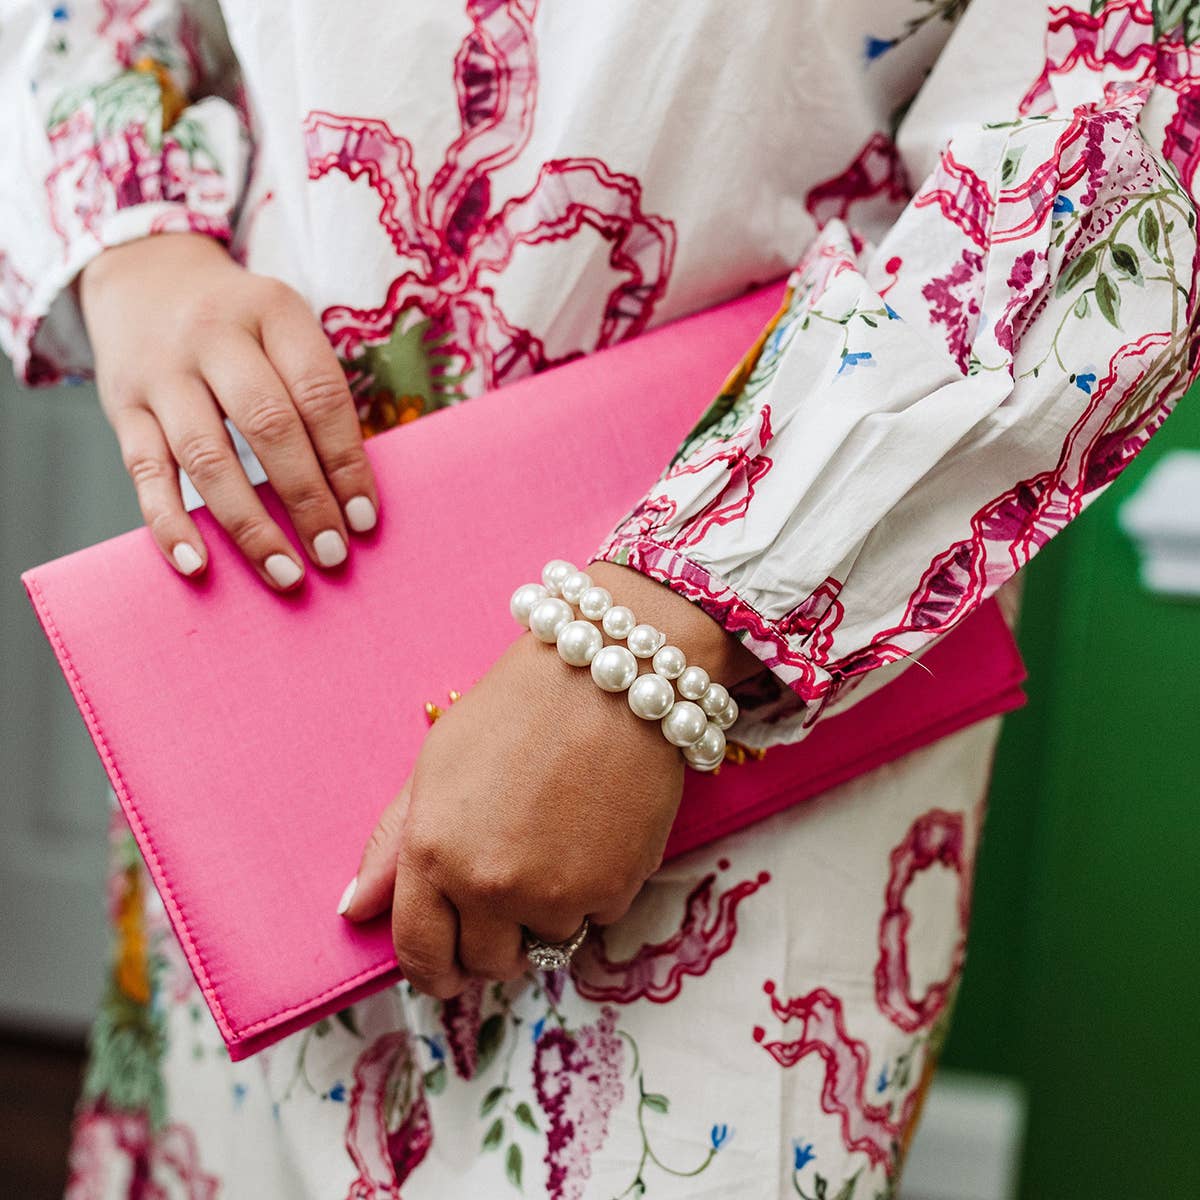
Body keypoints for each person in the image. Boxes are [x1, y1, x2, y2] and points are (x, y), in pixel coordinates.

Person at [2, 1, 1196, 1195]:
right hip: (276, 617)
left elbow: (1108, 141)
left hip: (750, 678)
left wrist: (659, 639)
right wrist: (134, 253)